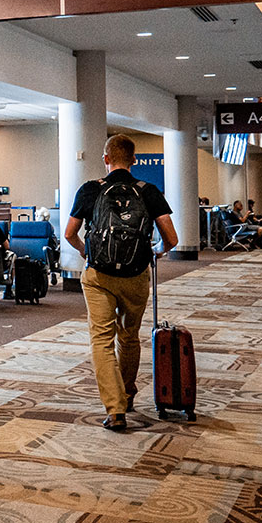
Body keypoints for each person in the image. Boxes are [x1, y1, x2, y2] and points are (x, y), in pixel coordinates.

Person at [64, 134, 176, 433]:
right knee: (129, 337)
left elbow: (70, 233)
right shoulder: (148, 191)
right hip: (136, 275)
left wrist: (85, 251)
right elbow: (172, 237)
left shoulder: (90, 189)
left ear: (106, 159)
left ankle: (115, 410)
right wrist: (157, 251)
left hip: (98, 276)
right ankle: (126, 395)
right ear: (134, 160)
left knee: (102, 340)